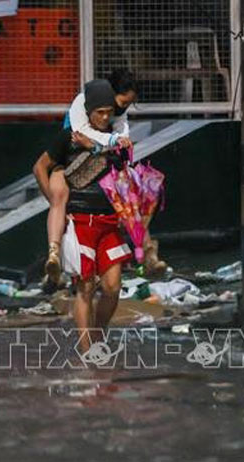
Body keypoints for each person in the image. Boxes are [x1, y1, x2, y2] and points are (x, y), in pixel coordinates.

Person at [32, 80, 131, 352]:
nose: (104, 117)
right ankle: (87, 349)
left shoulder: (115, 137)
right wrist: (53, 201)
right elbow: (40, 167)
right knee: (85, 288)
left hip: (109, 222)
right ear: (87, 111)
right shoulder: (70, 136)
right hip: (81, 222)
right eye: (99, 112)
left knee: (113, 287)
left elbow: (122, 168)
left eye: (108, 111)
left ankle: (99, 334)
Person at [43, 70, 166, 285]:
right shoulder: (85, 106)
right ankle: (55, 262)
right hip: (74, 160)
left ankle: (147, 253)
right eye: (122, 103)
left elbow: (121, 131)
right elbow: (84, 135)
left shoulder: (114, 113)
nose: (120, 110)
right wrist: (110, 142)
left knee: (130, 197)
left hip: (99, 160)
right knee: (61, 205)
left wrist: (119, 143)